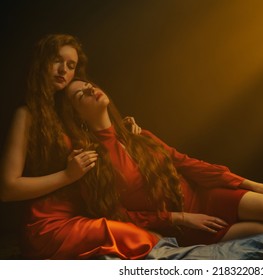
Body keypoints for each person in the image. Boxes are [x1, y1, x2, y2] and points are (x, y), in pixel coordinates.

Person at [29, 78, 263, 253]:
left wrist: (250, 183)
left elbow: (190, 165)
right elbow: (119, 214)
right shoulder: (90, 159)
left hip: (208, 196)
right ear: (76, 115)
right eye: (80, 95)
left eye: (89, 84)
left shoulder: (138, 133)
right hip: (190, 224)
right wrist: (180, 220)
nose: (90, 90)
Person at [0, 34, 156, 259]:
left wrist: (122, 131)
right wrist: (67, 175)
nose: (63, 69)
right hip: (48, 224)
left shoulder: (68, 110)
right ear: (41, 63)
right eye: (57, 60)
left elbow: (97, 140)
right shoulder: (27, 115)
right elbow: (7, 189)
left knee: (145, 237)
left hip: (81, 215)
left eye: (71, 65)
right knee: (136, 238)